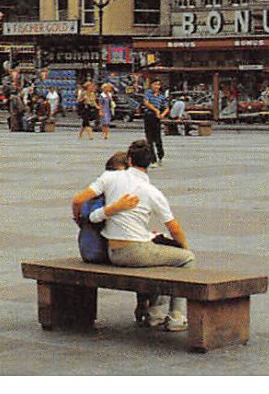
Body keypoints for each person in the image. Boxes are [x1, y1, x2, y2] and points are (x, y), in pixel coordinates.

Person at [71, 138, 194, 332]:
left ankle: (154, 311)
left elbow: (78, 199)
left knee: (157, 250)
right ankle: (175, 316)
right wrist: (186, 248)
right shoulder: (152, 191)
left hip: (113, 251)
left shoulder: (110, 178)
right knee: (185, 259)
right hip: (135, 251)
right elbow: (174, 227)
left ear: (129, 159)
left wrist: (78, 219)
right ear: (150, 163)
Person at [140, 79, 169, 164]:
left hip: (157, 118)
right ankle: (153, 159)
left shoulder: (161, 96)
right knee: (149, 139)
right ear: (151, 85)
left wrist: (162, 114)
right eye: (155, 84)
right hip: (149, 115)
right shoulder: (148, 93)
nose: (156, 86)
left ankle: (160, 154)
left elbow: (166, 107)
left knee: (158, 138)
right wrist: (156, 110)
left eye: (158, 85)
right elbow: (146, 103)